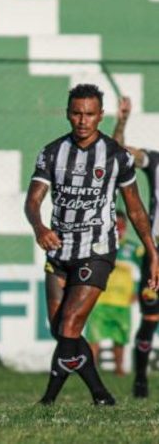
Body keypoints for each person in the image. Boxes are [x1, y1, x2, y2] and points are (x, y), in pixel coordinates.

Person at [24, 83, 159, 406]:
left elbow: (136, 208)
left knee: (71, 324)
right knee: (60, 329)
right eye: (76, 113)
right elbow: (32, 200)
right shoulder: (52, 152)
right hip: (58, 250)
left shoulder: (114, 155)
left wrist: (152, 252)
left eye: (89, 114)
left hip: (97, 251)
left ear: (100, 116)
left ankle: (48, 400)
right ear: (68, 114)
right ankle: (101, 394)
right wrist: (39, 226)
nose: (82, 120)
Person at [111, 96, 159, 397]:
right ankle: (140, 379)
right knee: (150, 319)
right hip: (156, 256)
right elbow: (119, 153)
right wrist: (123, 121)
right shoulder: (154, 161)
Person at [85, 210, 143, 375]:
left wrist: (138, 291)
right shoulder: (97, 246)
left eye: (121, 226)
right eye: (114, 226)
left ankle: (119, 370)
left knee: (120, 338)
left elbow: (147, 271)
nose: (118, 229)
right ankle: (90, 371)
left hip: (122, 302)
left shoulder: (134, 249)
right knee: (94, 337)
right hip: (99, 299)